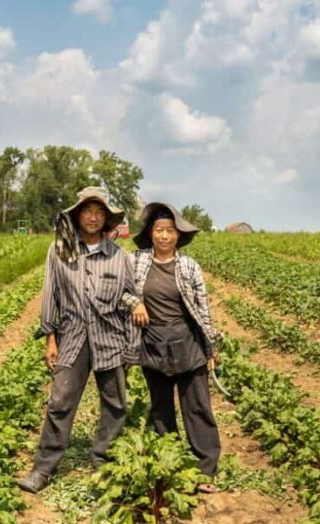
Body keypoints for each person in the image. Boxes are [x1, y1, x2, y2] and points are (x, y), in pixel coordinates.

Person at [17, 186, 140, 494]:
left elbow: (130, 299)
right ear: (77, 216)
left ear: (106, 219)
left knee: (115, 404)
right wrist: (50, 338)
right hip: (72, 335)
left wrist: (131, 346)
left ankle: (103, 460)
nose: (93, 217)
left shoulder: (119, 257)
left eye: (99, 212)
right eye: (88, 211)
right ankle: (43, 469)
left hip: (110, 336)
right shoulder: (60, 251)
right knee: (60, 401)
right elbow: (51, 294)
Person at [129, 202, 222, 493]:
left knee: (197, 406)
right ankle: (171, 463)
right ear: (150, 233)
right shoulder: (136, 261)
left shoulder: (189, 266)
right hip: (153, 341)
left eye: (170, 231)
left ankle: (205, 469)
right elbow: (120, 290)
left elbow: (203, 308)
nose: (164, 236)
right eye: (159, 230)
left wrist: (211, 345)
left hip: (187, 340)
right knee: (161, 408)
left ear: (178, 235)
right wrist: (135, 302)